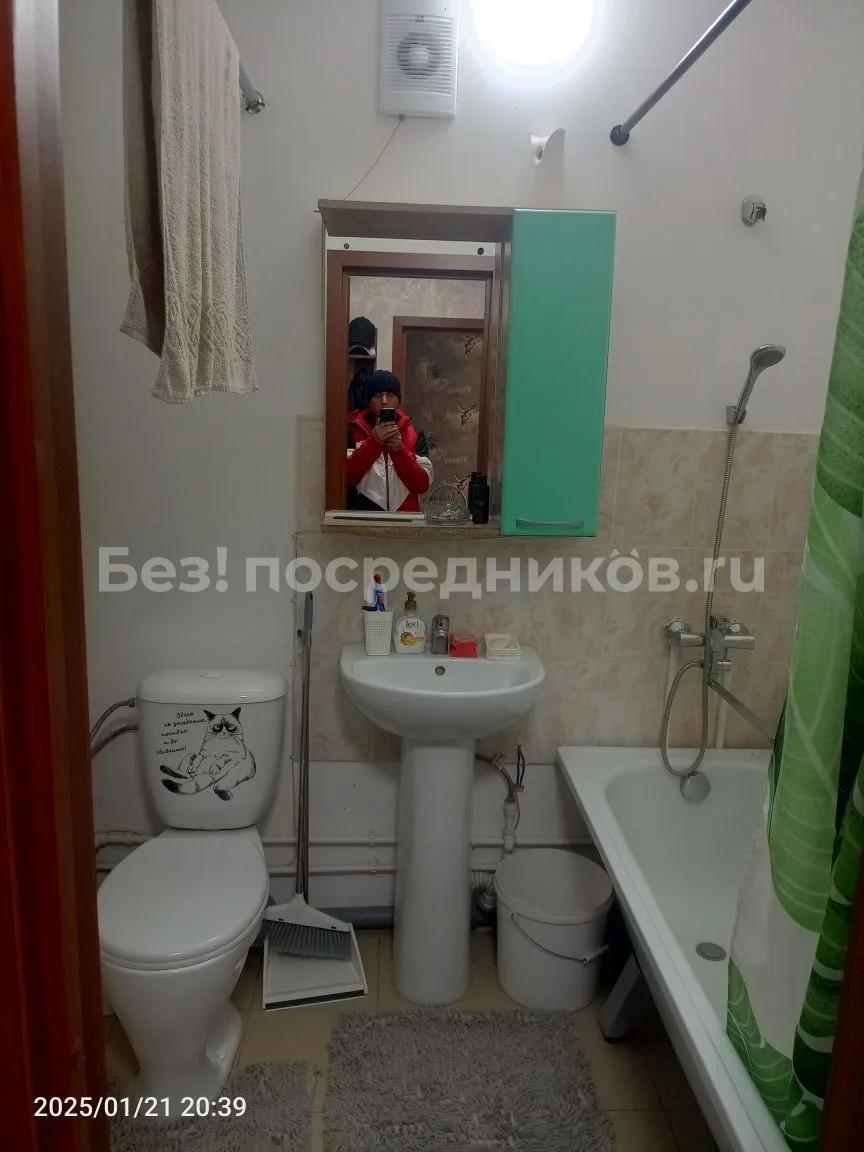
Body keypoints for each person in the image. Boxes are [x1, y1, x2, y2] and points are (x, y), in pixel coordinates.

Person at [346, 370, 433, 512]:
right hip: (365, 518)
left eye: (390, 395)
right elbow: (346, 479)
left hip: (405, 519)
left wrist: (399, 450)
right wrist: (373, 443)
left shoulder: (415, 434)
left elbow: (421, 485)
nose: (384, 401)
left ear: (398, 401)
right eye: (378, 395)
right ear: (369, 401)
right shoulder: (353, 432)